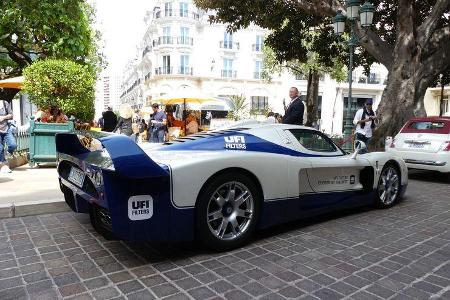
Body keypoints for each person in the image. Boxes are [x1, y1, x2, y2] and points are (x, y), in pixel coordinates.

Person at [0, 100, 17, 173]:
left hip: (6, 129)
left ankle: (8, 153)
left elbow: (11, 115)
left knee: (13, 145)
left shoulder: (4, 103)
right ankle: (3, 165)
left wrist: (3, 117)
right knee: (0, 148)